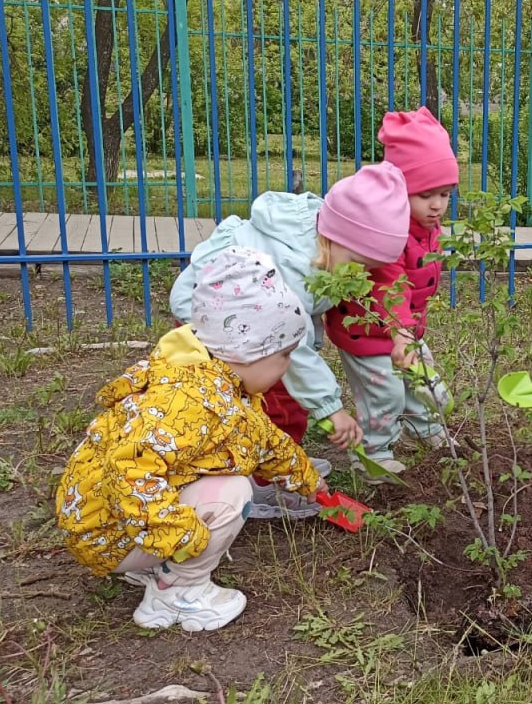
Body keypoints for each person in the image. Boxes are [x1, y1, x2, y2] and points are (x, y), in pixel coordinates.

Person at [55, 247, 325, 632]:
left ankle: (154, 565)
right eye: (283, 355)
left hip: (112, 521)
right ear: (248, 352)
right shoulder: (192, 402)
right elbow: (129, 467)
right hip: (106, 534)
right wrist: (174, 536)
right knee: (233, 494)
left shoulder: (211, 379)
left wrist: (307, 479)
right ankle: (177, 593)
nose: (286, 366)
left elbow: (262, 440)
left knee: (218, 476)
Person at [170, 163, 409, 517]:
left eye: (368, 270)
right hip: (218, 319)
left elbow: (303, 320)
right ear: (335, 237)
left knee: (278, 393)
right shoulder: (291, 266)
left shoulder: (320, 242)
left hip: (240, 316)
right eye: (357, 264)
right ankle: (264, 485)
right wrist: (331, 409)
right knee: (274, 400)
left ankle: (280, 462)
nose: (360, 276)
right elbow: (293, 347)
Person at [324, 107, 458, 478]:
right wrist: (400, 334)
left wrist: (406, 333)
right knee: (384, 394)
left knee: (424, 380)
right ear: (400, 192)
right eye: (425, 194)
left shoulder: (429, 228)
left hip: (404, 330)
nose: (437, 205)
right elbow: (390, 288)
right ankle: (373, 453)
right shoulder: (386, 232)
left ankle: (424, 427)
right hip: (366, 332)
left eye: (444, 194)